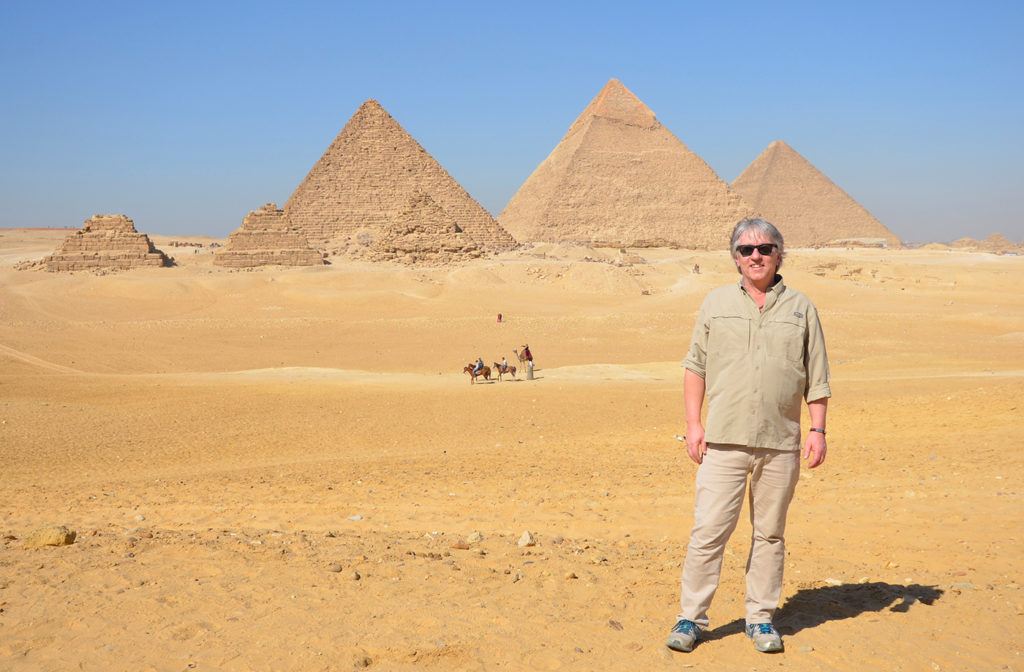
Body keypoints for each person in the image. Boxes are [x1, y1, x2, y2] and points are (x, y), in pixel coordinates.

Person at [667, 218, 830, 655]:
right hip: (722, 440)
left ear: (780, 253)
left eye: (764, 248)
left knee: (770, 535)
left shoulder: (801, 307)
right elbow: (695, 366)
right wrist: (692, 424)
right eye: (745, 249)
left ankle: (760, 619)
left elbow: (817, 377)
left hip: (781, 442)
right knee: (708, 532)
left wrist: (818, 429)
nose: (755, 255)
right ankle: (690, 618)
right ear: (734, 256)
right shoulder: (715, 303)